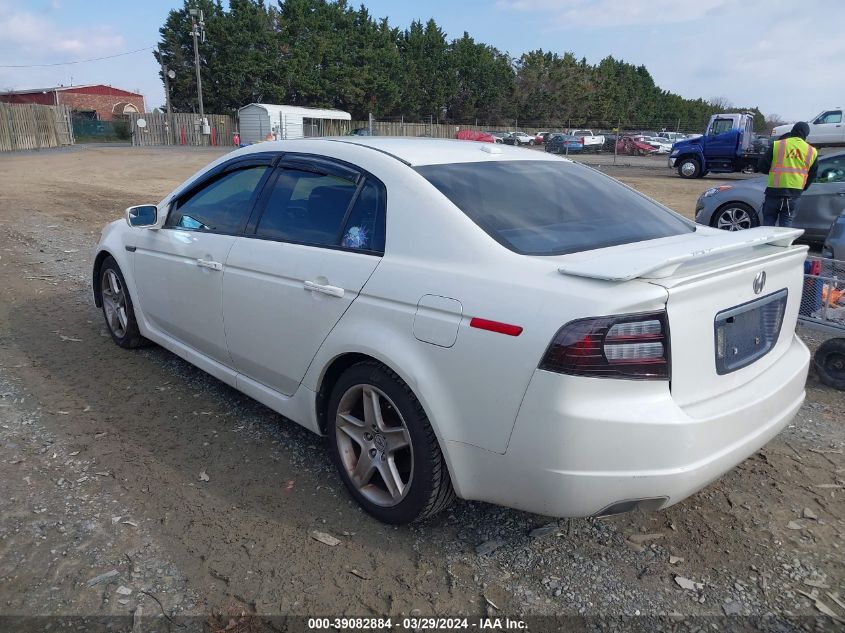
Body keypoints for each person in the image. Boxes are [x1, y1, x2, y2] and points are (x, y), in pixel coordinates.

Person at [757, 121, 818, 227]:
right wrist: (803, 187)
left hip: (774, 193)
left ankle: (767, 243)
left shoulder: (778, 145)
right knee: (785, 227)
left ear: (792, 131)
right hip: (794, 195)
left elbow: (762, 166)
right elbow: (812, 174)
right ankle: (783, 243)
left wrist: (773, 171)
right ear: (806, 134)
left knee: (768, 225)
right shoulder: (811, 151)